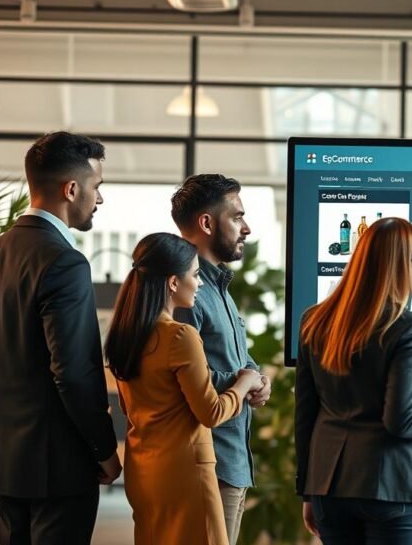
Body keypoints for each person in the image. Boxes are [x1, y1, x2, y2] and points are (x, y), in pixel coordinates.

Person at [0, 131, 121, 544]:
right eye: (96, 187)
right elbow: (74, 372)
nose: (99, 199)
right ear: (71, 188)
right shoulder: (65, 262)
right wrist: (103, 449)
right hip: (60, 464)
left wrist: (10, 410)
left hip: (5, 456)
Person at [106, 232, 264, 545]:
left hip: (143, 470)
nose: (200, 283)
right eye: (194, 275)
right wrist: (245, 380)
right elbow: (212, 412)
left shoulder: (126, 335)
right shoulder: (179, 336)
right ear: (173, 283)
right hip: (187, 472)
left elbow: (128, 407)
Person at [296, 217, 412, 545]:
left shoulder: (313, 321)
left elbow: (306, 413)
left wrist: (307, 489)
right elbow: (401, 420)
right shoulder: (410, 328)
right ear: (403, 264)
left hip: (329, 486)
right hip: (394, 483)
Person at [170, 174, 270, 545]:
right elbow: (178, 379)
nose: (247, 228)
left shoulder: (219, 288)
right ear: (207, 223)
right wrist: (245, 381)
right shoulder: (186, 292)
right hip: (206, 466)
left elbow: (240, 360)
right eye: (237, 217)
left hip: (230, 462)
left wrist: (257, 378)